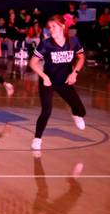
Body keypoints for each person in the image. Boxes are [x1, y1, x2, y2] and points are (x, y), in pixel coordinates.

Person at [28, 14, 86, 151]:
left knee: (81, 111)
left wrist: (74, 73)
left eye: (54, 27)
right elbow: (33, 63)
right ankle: (37, 139)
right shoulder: (46, 43)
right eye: (49, 27)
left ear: (63, 27)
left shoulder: (73, 41)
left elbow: (81, 58)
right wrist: (44, 76)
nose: (50, 30)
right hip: (48, 81)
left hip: (65, 81)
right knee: (46, 111)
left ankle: (75, 114)